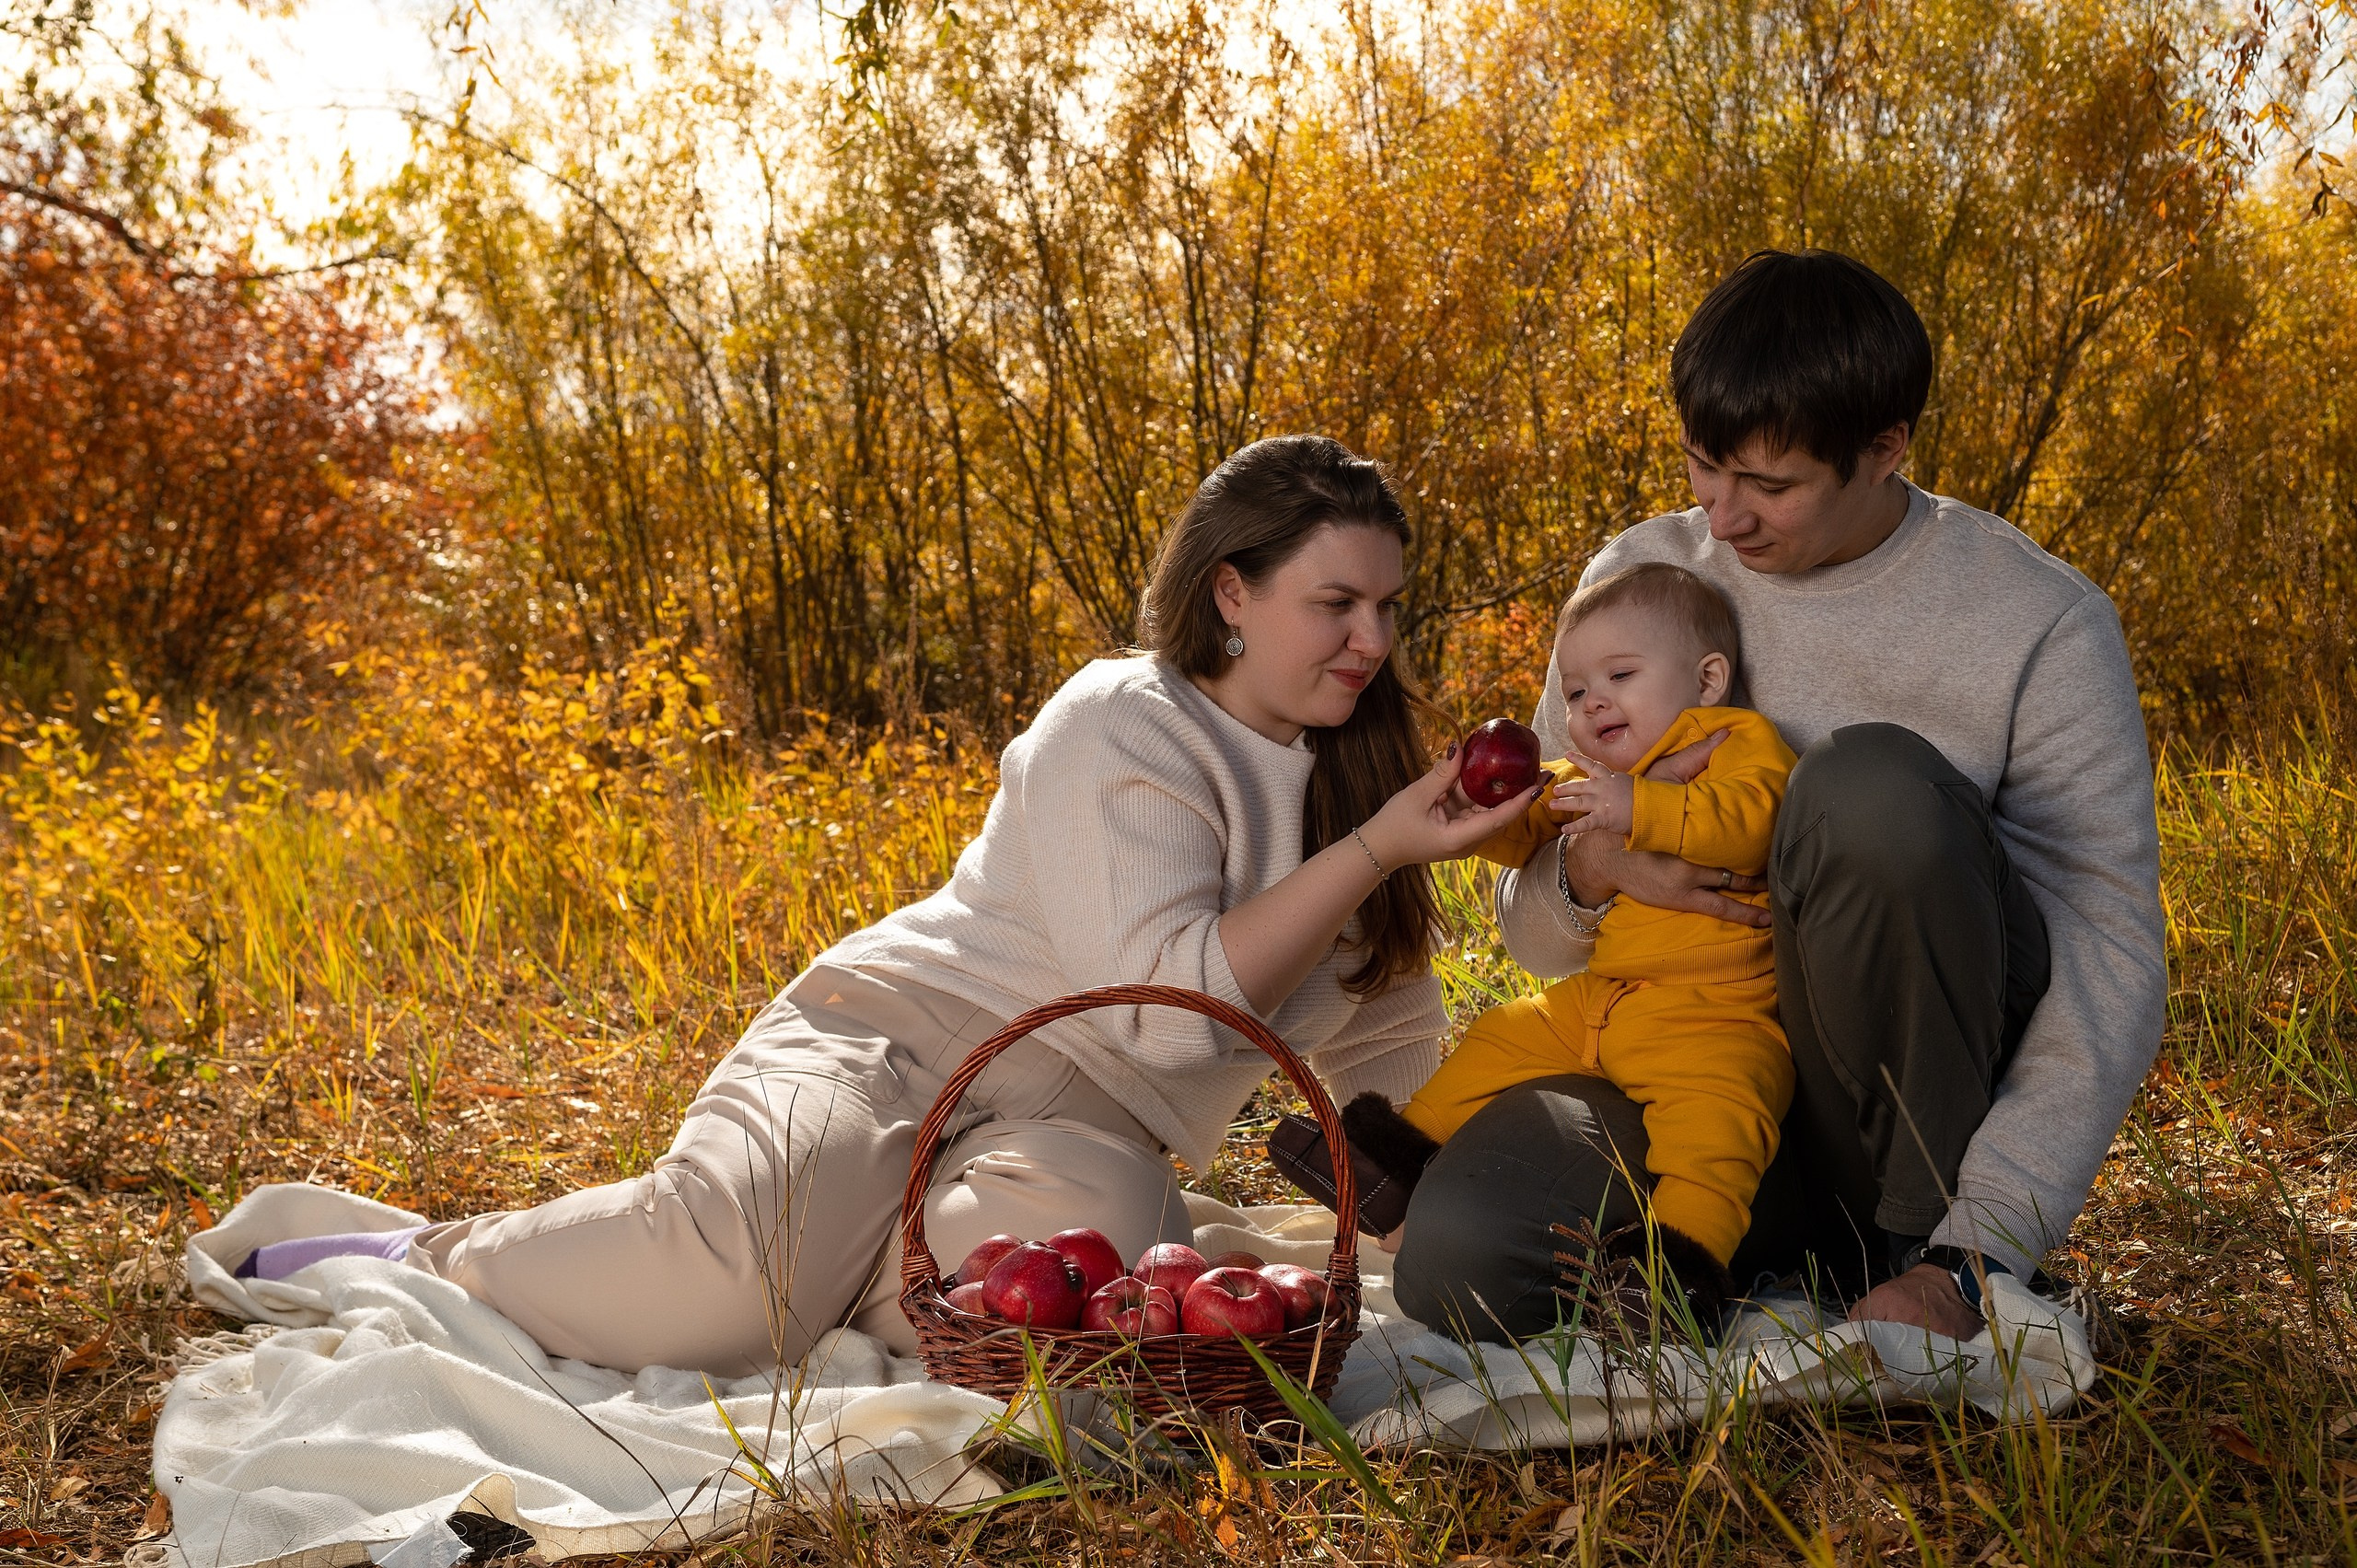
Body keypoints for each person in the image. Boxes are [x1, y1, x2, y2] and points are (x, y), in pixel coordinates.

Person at [238, 434, 1538, 1376]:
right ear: (1233, 595)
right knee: (727, 1278)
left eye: (1384, 606)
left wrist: (1458, 1240)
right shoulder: (1123, 721)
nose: (1369, 639)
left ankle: (834, 1276)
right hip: (897, 1037)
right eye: (1336, 602)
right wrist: (1370, 846)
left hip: (1078, 1134)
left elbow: (1384, 1054)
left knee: (1087, 1295)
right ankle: (424, 1256)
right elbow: (1175, 1020)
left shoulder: (1357, 781)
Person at [1390, 250, 2165, 1345]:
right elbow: (1538, 934)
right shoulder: (1645, 580)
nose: (1725, 517)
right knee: (1463, 1257)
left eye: (1770, 483)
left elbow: (2109, 954)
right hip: (1688, 1072)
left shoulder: (2032, 618)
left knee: (1865, 791)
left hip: (1915, 1128)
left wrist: (1984, 1238)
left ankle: (1909, 1252)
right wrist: (1590, 867)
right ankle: (1728, 1251)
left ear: (1885, 448)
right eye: (1705, 467)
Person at [1340, 563, 1794, 1330]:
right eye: (1577, 691)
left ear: (1709, 677)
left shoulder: (1737, 743)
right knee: (1499, 1036)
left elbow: (1754, 821)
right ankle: (1395, 1157)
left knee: (1714, 1137)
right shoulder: (1594, 771)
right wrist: (1483, 806)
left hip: (1712, 1019)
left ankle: (1672, 1279)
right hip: (1599, 1002)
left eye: (1620, 675)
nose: (1592, 703)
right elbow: (1533, 829)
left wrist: (1641, 805)